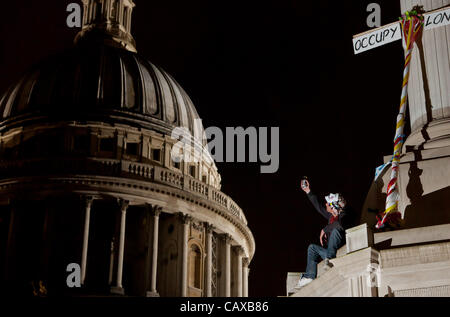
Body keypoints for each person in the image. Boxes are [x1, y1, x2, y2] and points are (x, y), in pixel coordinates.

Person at [295, 178, 353, 289]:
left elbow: (340, 226)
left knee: (336, 231)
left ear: (334, 206)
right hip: (330, 252)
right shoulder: (331, 217)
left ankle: (330, 260)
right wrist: (308, 191)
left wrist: (325, 229)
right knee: (312, 248)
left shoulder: (346, 215)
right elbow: (318, 207)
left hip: (341, 250)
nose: (325, 205)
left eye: (328, 204)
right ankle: (309, 276)